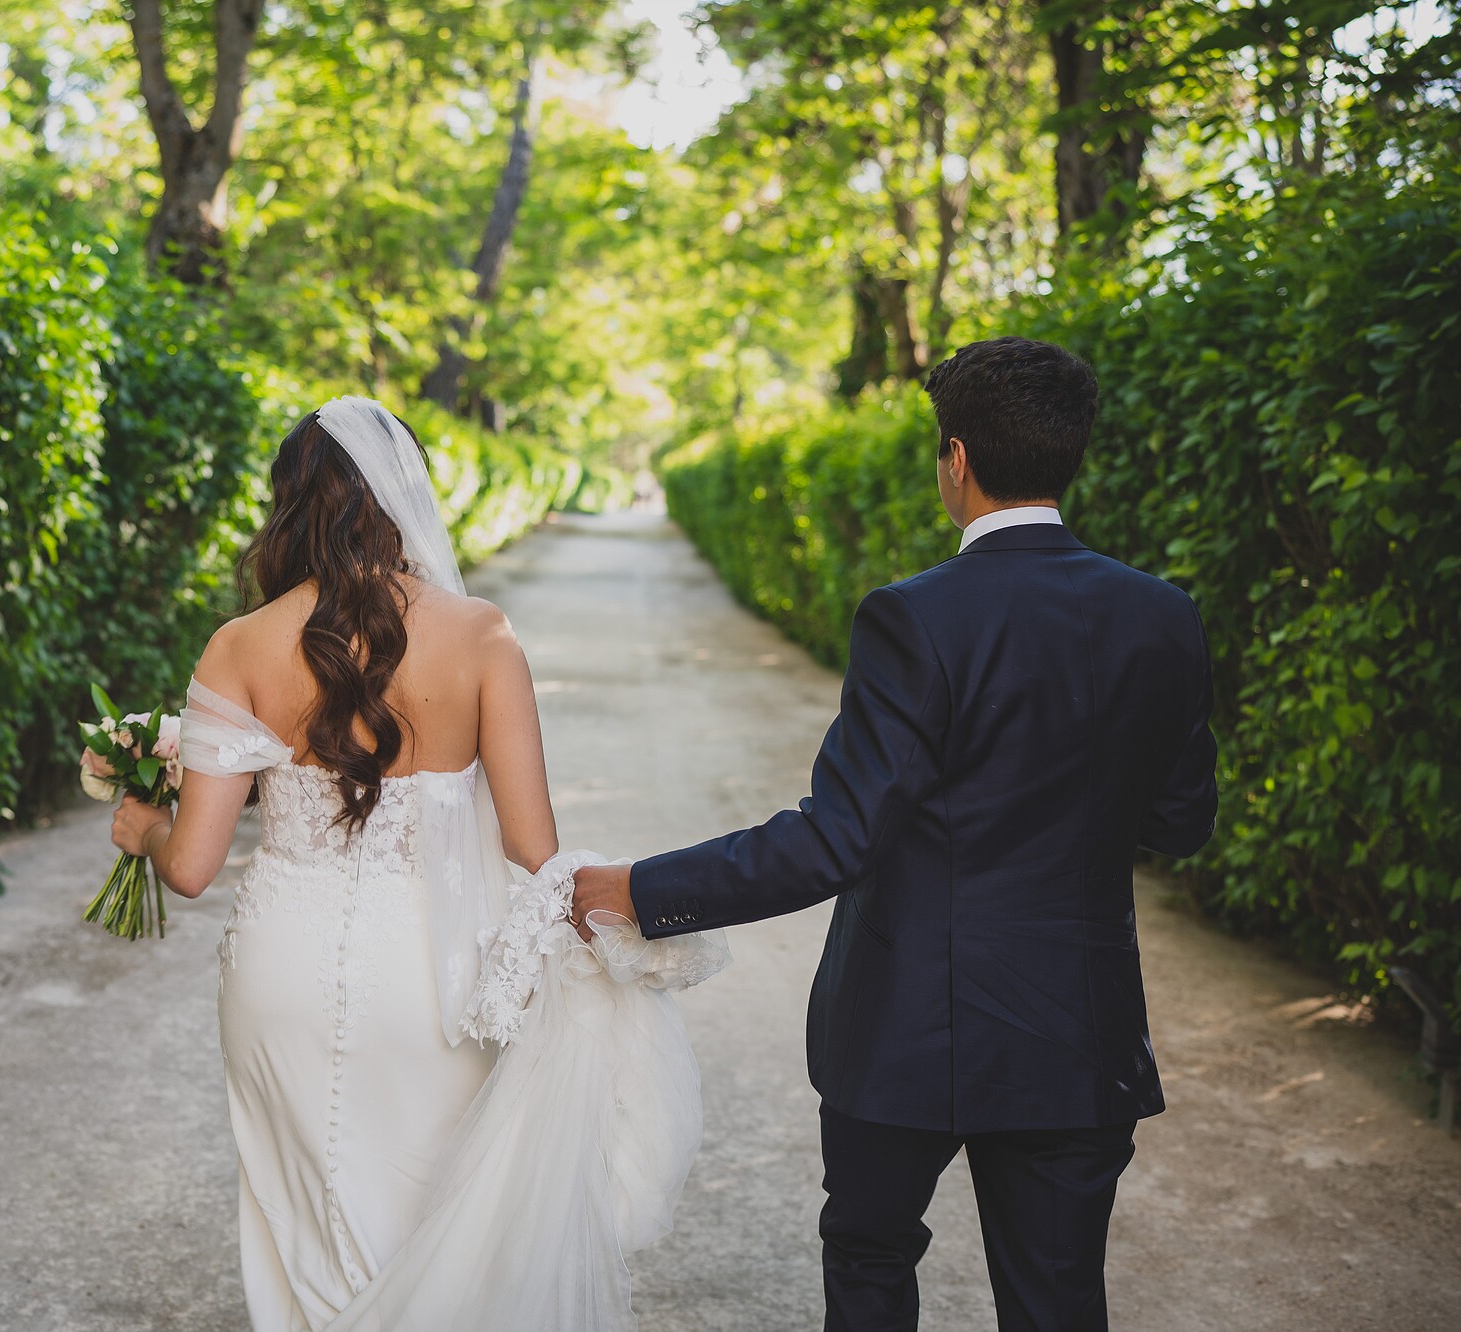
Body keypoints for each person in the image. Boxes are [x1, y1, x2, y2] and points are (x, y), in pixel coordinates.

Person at [572, 336, 1218, 1332]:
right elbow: (1181, 821)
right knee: (1056, 1300)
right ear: (1069, 455)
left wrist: (638, 890)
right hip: (1076, 1029)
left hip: (906, 1022)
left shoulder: (913, 618)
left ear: (954, 459)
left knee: (870, 1260)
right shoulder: (1163, 616)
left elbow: (836, 839)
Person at [101, 397, 726, 1332]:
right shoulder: (482, 637)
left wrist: (140, 827)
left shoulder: (239, 646)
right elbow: (531, 848)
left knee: (305, 1217)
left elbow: (191, 864)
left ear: (291, 507)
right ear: (401, 497)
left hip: (281, 972)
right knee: (429, 1214)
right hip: (435, 974)